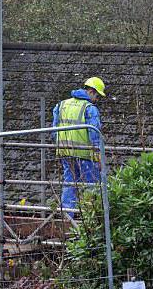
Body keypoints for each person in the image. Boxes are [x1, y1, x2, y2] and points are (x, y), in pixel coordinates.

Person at [52, 77, 106, 215]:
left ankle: (68, 217)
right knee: (92, 185)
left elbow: (54, 130)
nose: (97, 100)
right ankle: (93, 217)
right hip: (84, 154)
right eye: (97, 96)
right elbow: (95, 134)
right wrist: (98, 155)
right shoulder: (90, 109)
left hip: (65, 151)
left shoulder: (61, 105)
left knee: (69, 183)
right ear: (91, 92)